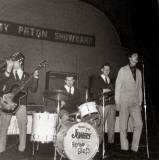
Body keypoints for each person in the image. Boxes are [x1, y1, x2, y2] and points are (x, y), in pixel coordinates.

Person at [0, 52, 39, 154]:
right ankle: (1, 148)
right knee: (3, 126)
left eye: (14, 61)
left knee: (23, 126)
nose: (12, 62)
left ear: (20, 62)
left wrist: (35, 78)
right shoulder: (7, 73)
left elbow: (34, 89)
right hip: (6, 103)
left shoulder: (27, 76)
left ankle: (22, 149)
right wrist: (7, 72)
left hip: (21, 103)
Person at [115, 52, 143, 153]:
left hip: (135, 102)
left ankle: (134, 147)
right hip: (124, 101)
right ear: (129, 58)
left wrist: (140, 102)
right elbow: (117, 87)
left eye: (137, 57)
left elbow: (140, 88)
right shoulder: (122, 70)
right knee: (123, 125)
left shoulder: (139, 72)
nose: (136, 58)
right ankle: (124, 147)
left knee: (139, 124)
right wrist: (117, 102)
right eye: (134, 56)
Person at [89, 62, 116, 147]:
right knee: (101, 124)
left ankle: (111, 143)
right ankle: (98, 143)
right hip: (101, 104)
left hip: (112, 104)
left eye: (108, 69)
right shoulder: (96, 78)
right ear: (102, 70)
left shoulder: (111, 80)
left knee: (112, 124)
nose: (107, 71)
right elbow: (93, 91)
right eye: (105, 69)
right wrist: (104, 90)